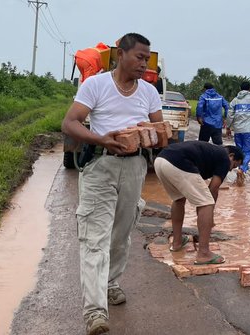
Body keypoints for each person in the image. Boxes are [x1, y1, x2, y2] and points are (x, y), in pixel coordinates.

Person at [61, 33, 162, 335]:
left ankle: (110, 282)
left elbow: (159, 130)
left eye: (147, 59)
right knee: (94, 237)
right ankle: (94, 312)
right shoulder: (96, 85)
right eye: (139, 57)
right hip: (100, 167)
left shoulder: (148, 91)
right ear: (121, 53)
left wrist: (153, 134)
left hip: (134, 168)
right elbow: (70, 123)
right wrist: (100, 138)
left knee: (121, 235)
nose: (144, 64)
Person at [153, 141, 244, 264]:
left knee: (179, 199)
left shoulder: (212, 152)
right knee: (206, 203)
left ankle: (177, 242)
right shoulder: (224, 158)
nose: (230, 169)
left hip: (160, 160)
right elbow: (213, 189)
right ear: (231, 156)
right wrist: (209, 216)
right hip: (178, 162)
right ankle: (204, 254)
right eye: (233, 165)